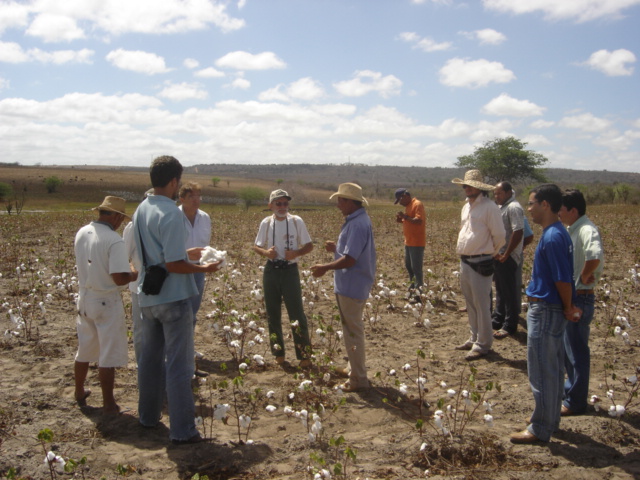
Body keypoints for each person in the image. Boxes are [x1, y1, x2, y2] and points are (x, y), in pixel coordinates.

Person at [133, 155, 221, 445]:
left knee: (150, 360)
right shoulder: (171, 213)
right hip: (174, 297)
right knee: (179, 365)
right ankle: (183, 430)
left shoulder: (141, 209)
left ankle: (147, 417)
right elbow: (173, 263)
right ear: (173, 182)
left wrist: (187, 257)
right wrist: (204, 268)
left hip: (148, 296)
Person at [510, 183, 581, 444]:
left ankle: (540, 427)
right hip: (550, 308)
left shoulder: (552, 236)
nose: (529, 209)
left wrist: (567, 306)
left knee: (542, 370)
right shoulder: (556, 233)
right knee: (551, 368)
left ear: (545, 205)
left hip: (547, 309)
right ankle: (550, 419)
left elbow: (562, 279)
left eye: (531, 203)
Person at [74, 196, 137, 415]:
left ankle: (79, 391)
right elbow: (119, 278)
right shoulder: (113, 239)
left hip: (84, 296)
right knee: (107, 354)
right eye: (121, 218)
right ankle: (109, 403)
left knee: (85, 347)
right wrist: (135, 273)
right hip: (106, 300)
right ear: (117, 217)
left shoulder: (82, 232)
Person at [311, 183, 376, 392]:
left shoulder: (357, 225)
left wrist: (325, 267)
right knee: (351, 330)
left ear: (349, 202)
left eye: (340, 201)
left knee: (353, 332)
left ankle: (358, 378)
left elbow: (350, 260)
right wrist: (336, 249)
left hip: (352, 284)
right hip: (352, 283)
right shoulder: (357, 221)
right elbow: (349, 253)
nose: (338, 205)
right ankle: (353, 368)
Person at [252, 189, 313, 368]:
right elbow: (256, 246)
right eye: (278, 203)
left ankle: (304, 355)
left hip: (290, 271)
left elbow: (309, 246)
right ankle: (278, 353)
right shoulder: (266, 222)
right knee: (272, 313)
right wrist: (266, 253)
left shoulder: (296, 221)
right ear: (270, 205)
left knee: (297, 314)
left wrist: (296, 253)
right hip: (271, 271)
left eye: (285, 203)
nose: (282, 207)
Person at [558, 189, 604, 416]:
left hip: (581, 297)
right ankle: (571, 394)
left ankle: (576, 402)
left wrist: (585, 275)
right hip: (576, 296)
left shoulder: (586, 229)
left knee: (577, 352)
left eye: (561, 210)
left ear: (573, 210)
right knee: (570, 350)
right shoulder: (572, 229)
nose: (559, 214)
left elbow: (594, 255)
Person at [451, 170, 505, 360]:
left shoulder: (490, 207)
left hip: (481, 261)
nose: (466, 188)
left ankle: (483, 344)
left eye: (469, 185)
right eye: (464, 185)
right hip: (465, 260)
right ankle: (474, 338)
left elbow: (499, 235)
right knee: (470, 302)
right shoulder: (466, 207)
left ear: (478, 188)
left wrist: (490, 252)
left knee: (482, 304)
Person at [492, 181, 525, 339]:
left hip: (508, 256)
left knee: (510, 292)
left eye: (499, 193)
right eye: (495, 194)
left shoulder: (513, 207)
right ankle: (498, 318)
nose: (496, 196)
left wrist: (507, 253)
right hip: (499, 255)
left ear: (508, 193)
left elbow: (518, 231)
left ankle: (510, 325)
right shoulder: (501, 207)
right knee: (500, 289)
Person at [178, 182, 211, 322]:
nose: (196, 200)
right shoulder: (174, 217)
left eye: (198, 196)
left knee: (193, 311)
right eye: (191, 196)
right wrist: (185, 253)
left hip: (198, 268)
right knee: (178, 310)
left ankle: (188, 341)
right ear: (182, 199)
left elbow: (206, 243)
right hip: (179, 268)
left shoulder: (205, 218)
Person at [394, 188, 426, 301]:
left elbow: (418, 220)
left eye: (400, 200)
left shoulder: (417, 204)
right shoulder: (408, 206)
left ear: (405, 196)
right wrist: (400, 219)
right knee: (409, 267)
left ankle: (419, 294)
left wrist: (405, 217)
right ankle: (412, 289)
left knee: (416, 269)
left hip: (417, 242)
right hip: (408, 241)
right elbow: (408, 221)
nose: (400, 203)